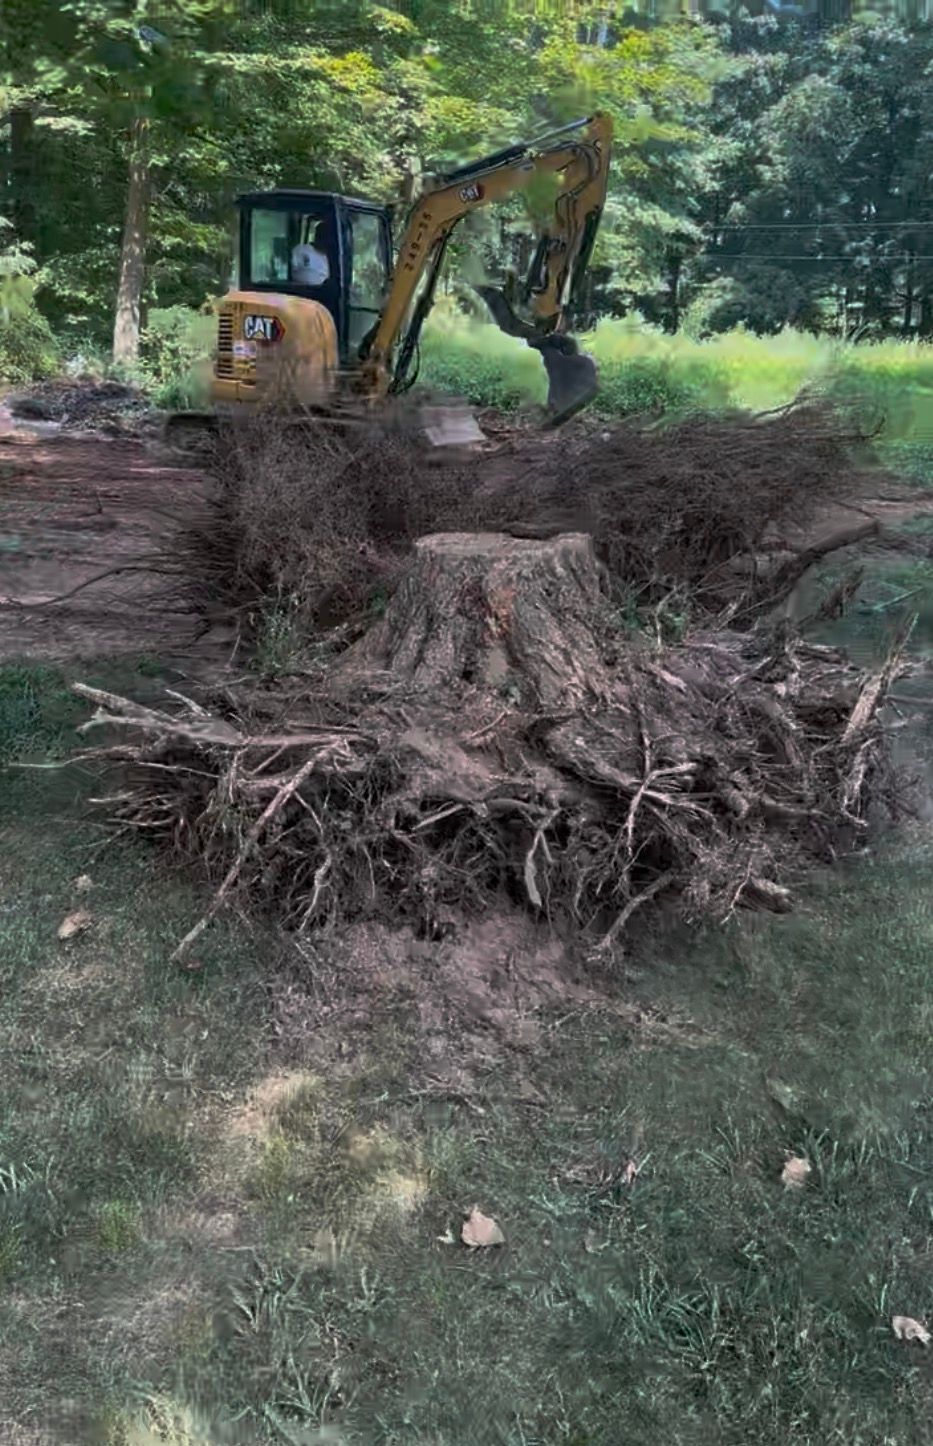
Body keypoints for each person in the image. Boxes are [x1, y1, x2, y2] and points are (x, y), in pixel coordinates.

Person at [291, 221, 331, 286]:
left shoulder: (334, 260)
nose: (327, 240)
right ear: (317, 236)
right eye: (324, 236)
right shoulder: (301, 250)